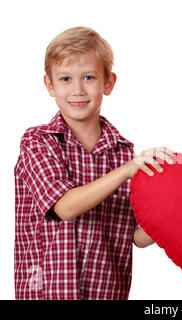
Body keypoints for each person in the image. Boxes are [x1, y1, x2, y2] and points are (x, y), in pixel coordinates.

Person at [14, 26, 169, 300]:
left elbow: (136, 236)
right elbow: (65, 207)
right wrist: (128, 170)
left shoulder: (123, 153)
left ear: (108, 83)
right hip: (47, 294)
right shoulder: (37, 142)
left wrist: (176, 212)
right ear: (49, 85)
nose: (77, 90)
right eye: (65, 79)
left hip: (107, 293)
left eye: (88, 77)